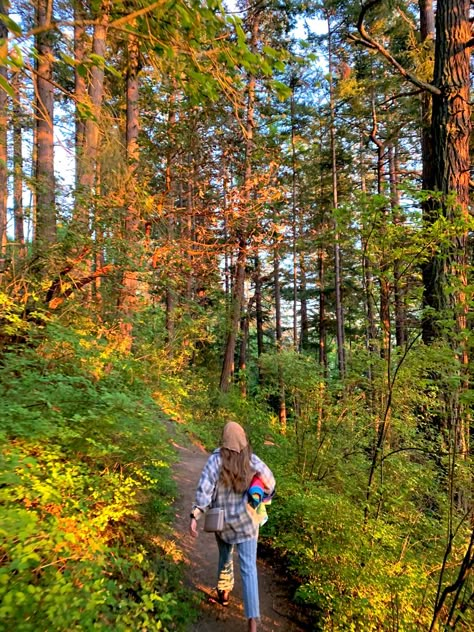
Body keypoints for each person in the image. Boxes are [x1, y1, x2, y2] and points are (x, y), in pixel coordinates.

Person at [189, 421, 275, 632]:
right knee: (249, 571)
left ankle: (224, 593)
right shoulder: (252, 461)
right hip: (248, 524)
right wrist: (260, 494)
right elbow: (271, 482)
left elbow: (204, 491)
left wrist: (195, 515)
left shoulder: (214, 462)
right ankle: (252, 624)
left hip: (223, 525)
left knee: (225, 557)